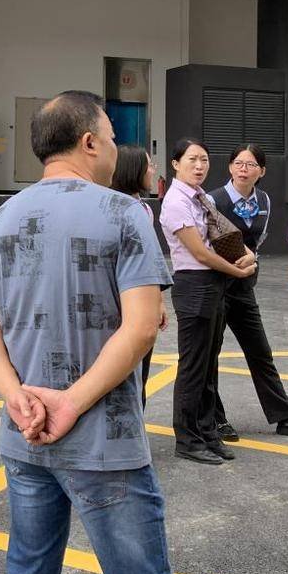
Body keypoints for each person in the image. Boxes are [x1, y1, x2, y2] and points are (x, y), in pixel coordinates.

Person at [0, 91, 181, 574]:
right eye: (111, 138)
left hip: (25, 434)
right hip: (104, 441)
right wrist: (72, 402)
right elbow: (142, 327)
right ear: (88, 142)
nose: (114, 149)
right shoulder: (125, 212)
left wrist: (15, 396)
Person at [157, 138, 256, 465]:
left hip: (214, 284)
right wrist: (237, 272)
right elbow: (199, 252)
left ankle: (208, 433)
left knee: (209, 365)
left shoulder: (202, 197)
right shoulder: (176, 202)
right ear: (176, 164)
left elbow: (222, 236)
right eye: (192, 160)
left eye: (204, 160)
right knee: (193, 367)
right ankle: (187, 439)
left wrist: (247, 256)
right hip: (194, 285)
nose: (199, 166)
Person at [208, 144, 288, 441]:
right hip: (216, 285)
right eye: (238, 163)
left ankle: (285, 417)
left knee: (260, 352)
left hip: (243, 287)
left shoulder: (263, 200)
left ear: (261, 171)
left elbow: (258, 240)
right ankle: (215, 418)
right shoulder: (213, 200)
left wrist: (251, 260)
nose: (243, 169)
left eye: (251, 165)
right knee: (210, 354)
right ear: (230, 167)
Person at [110, 144, 170, 408]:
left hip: (139, 298)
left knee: (140, 372)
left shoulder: (143, 208)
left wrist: (158, 301)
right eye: (149, 165)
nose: (153, 170)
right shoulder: (119, 208)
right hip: (121, 301)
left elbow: (149, 261)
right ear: (133, 170)